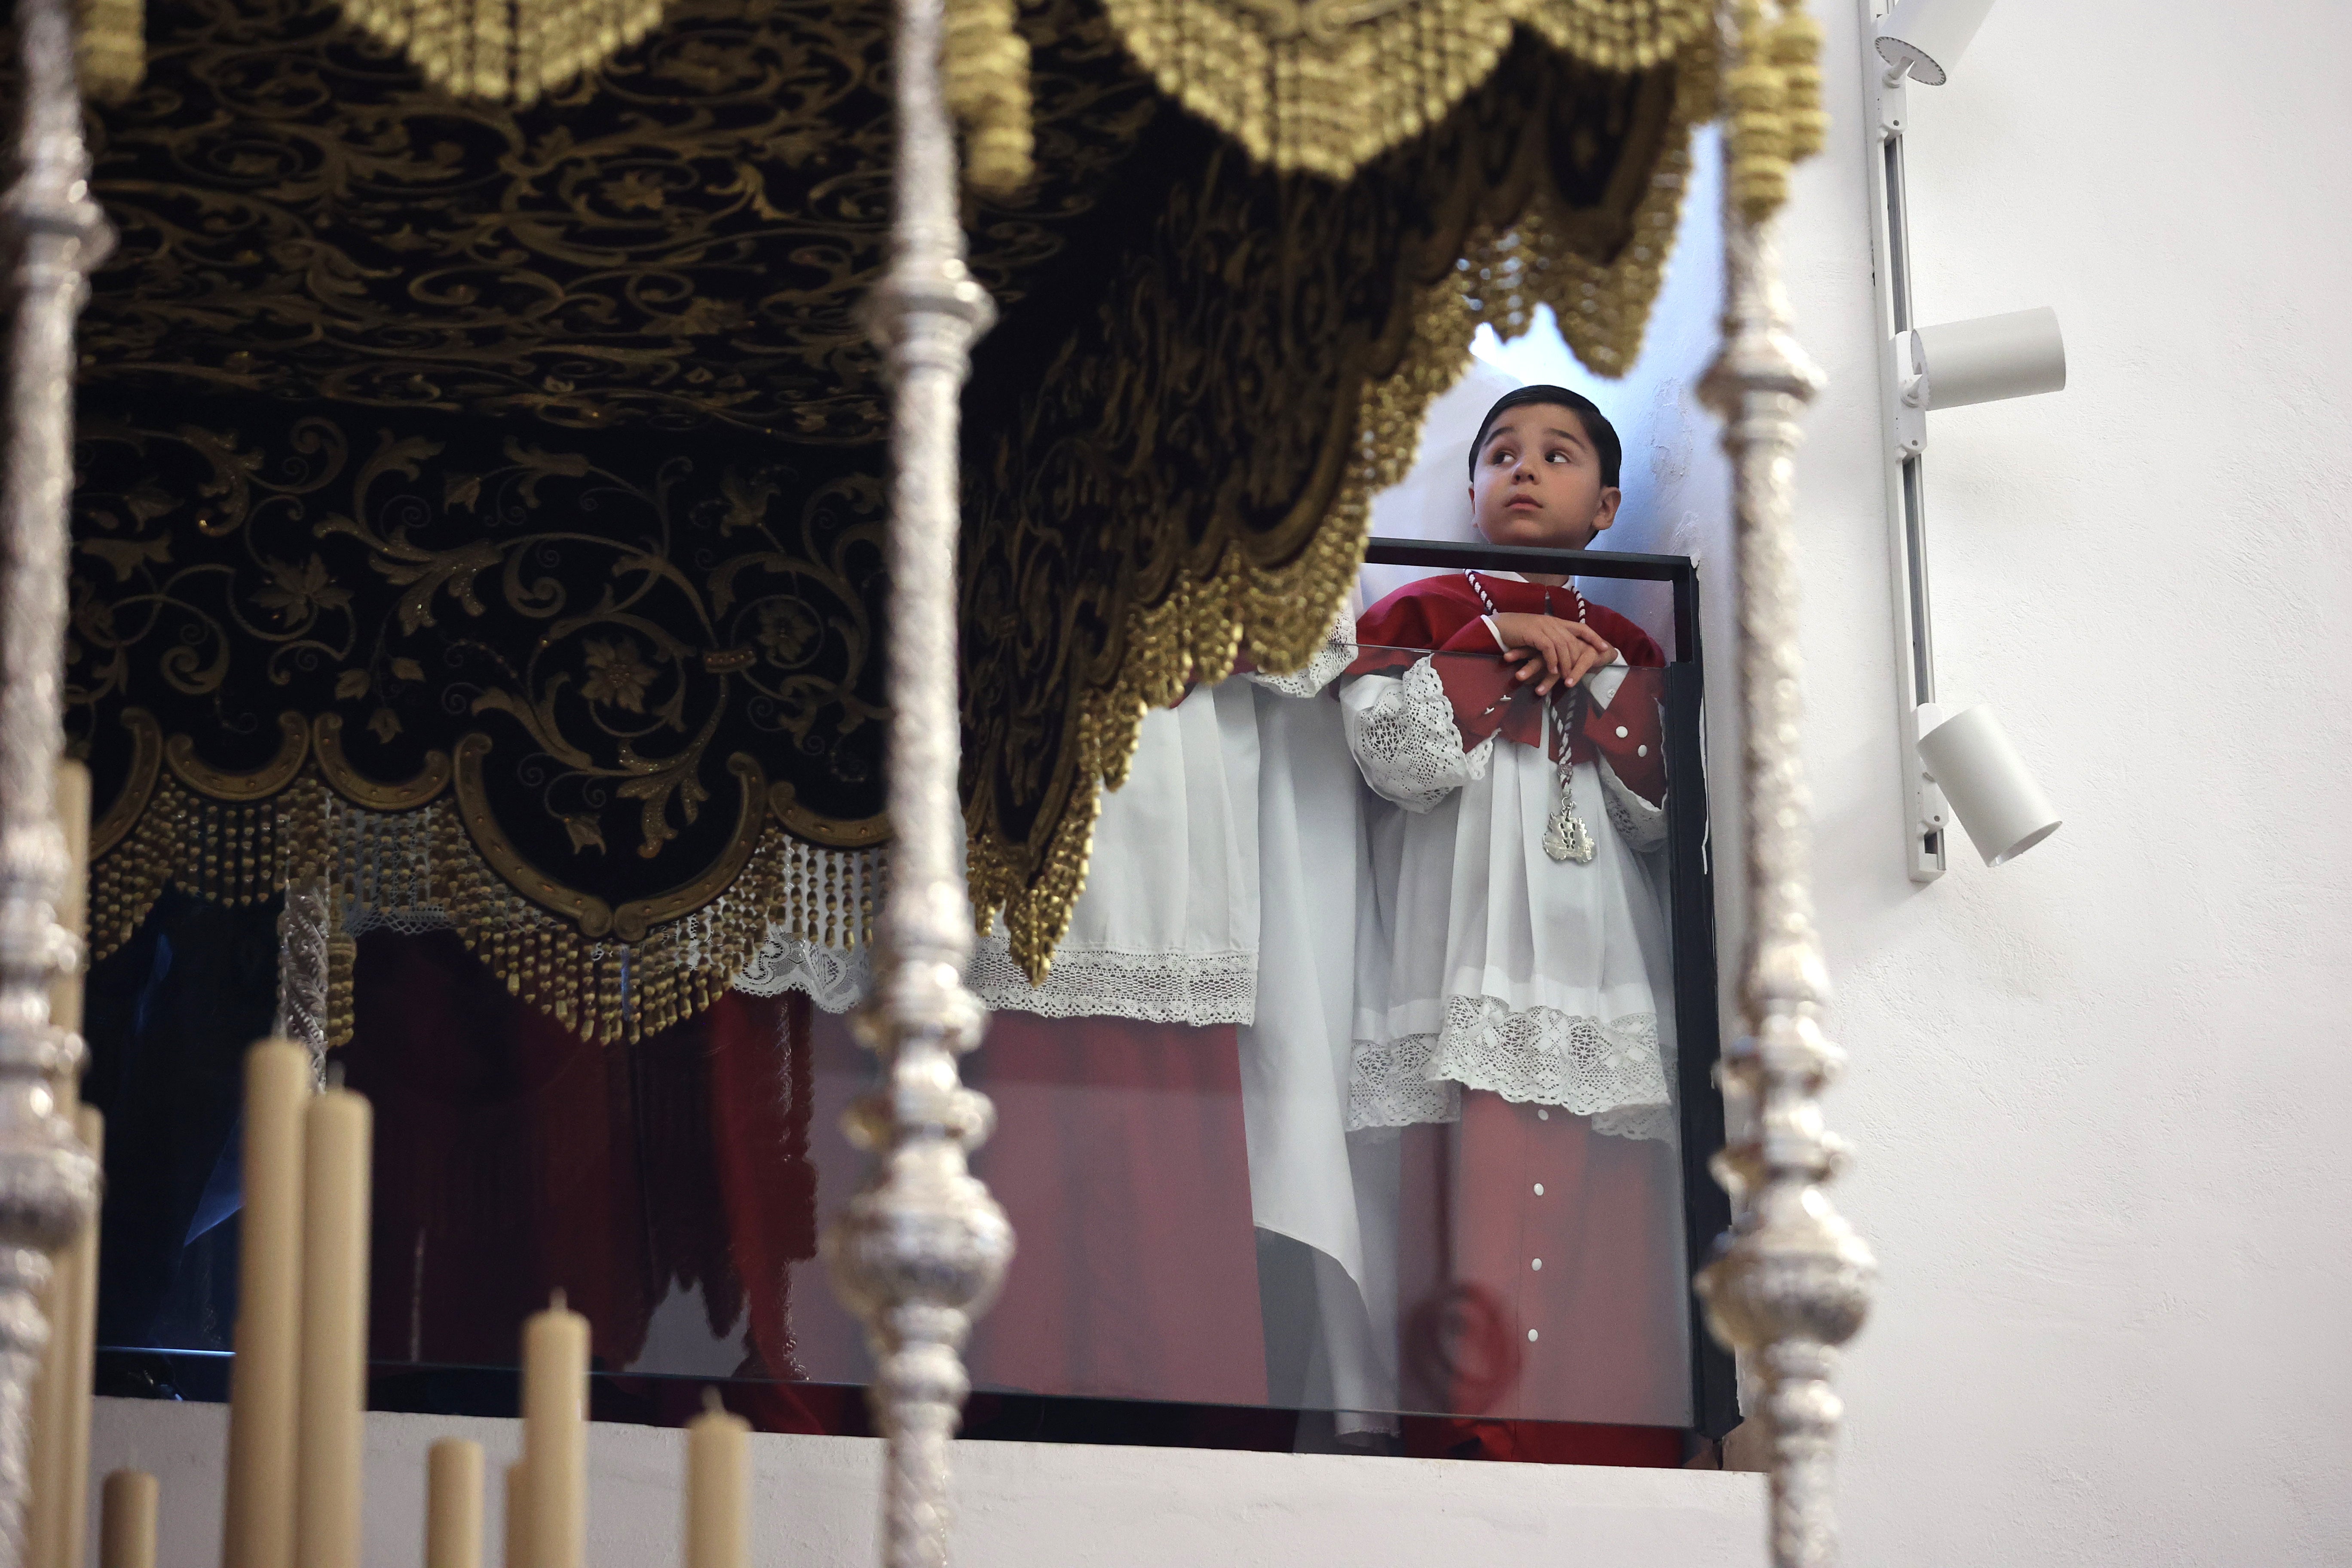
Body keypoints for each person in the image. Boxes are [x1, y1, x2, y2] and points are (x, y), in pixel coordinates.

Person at [1341, 384, 1690, 1439]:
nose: (1525, 469)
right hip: (1457, 937)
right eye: (1501, 453)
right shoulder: (1420, 613)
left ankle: (1588, 1428)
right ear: (1472, 489)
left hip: (1595, 948)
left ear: (1607, 504)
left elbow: (1659, 818)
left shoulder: (1632, 635)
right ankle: (1455, 1427)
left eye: (1558, 454)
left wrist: (1597, 681)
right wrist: (1501, 646)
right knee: (1454, 1176)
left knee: (1601, 1184)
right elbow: (1397, 765)